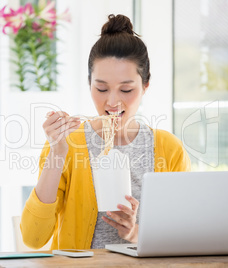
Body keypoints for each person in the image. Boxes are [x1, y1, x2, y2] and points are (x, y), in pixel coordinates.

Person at [20, 14, 191, 250]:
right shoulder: (66, 144)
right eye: (101, 88)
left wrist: (135, 234)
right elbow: (33, 238)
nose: (112, 101)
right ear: (89, 83)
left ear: (145, 86)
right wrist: (57, 153)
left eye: (126, 89)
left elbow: (182, 236)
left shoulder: (169, 149)